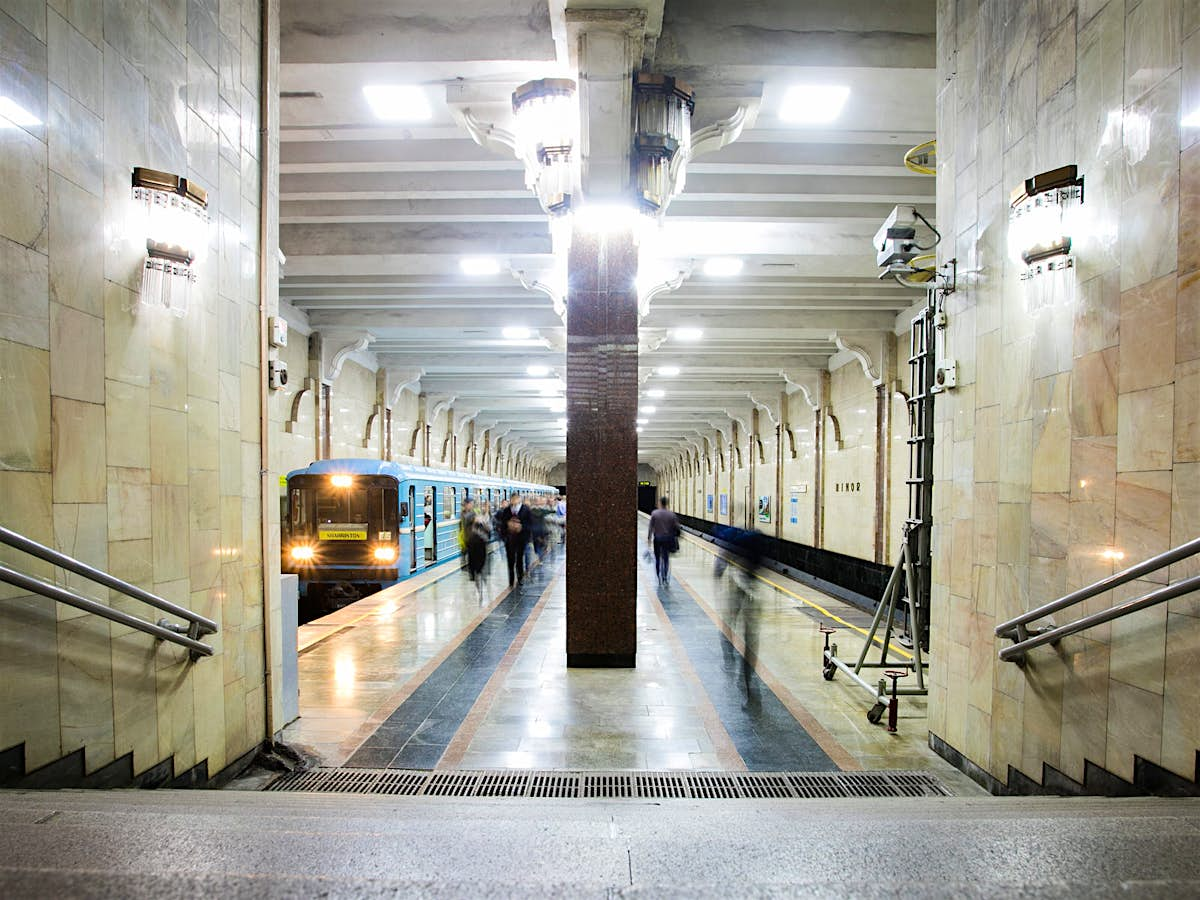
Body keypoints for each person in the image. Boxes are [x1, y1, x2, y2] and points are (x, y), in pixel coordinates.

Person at [496, 492, 532, 587]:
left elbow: (530, 524)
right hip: (510, 539)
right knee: (510, 560)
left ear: (519, 499)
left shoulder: (526, 510)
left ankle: (520, 578)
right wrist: (505, 534)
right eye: (512, 499)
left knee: (520, 559)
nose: (514, 501)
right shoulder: (507, 510)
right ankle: (511, 581)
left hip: (521, 539)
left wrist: (521, 527)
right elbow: (502, 525)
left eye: (516, 499)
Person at [646, 496, 680, 586]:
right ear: (667, 504)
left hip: (657, 539)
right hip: (668, 539)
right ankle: (665, 576)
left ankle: (658, 575)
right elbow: (677, 528)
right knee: (666, 558)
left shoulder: (654, 513)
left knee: (657, 558)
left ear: (660, 503)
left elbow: (650, 527)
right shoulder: (672, 515)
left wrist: (649, 538)